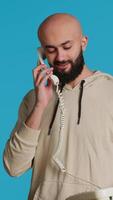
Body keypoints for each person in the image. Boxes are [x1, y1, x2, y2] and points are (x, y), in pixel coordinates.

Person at [3, 13, 113, 200]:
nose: (60, 57)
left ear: (83, 42)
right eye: (51, 49)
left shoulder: (109, 92)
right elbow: (13, 167)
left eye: (67, 46)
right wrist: (40, 105)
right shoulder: (33, 99)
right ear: (42, 53)